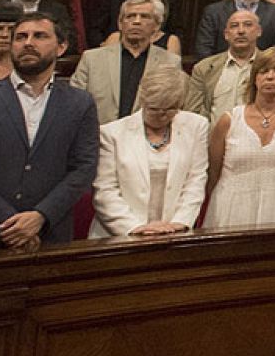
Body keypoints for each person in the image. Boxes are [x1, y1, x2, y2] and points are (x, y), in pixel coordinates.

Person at [0, 13, 98, 250]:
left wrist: (41, 216)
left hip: (50, 234)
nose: (28, 43)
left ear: (61, 47)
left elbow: (83, 168)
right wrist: (9, 224)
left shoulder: (80, 103)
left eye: (39, 36)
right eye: (20, 37)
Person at [89, 69, 209, 237]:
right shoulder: (112, 133)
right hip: (120, 234)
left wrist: (180, 222)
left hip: (174, 233)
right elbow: (105, 190)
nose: (162, 115)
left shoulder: (196, 126)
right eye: (154, 109)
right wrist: (135, 228)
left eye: (170, 109)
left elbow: (196, 180)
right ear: (143, 100)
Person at [204, 45, 275, 230]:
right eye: (263, 71)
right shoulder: (229, 120)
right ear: (254, 78)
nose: (270, 77)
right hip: (231, 208)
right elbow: (213, 173)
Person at [69, 0, 191, 125]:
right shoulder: (92, 59)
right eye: (130, 16)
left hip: (146, 138)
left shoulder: (170, 62)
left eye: (144, 16)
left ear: (156, 26)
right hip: (98, 136)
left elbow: (175, 107)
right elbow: (74, 104)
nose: (136, 21)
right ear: (120, 24)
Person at [191, 10, 262, 121]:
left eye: (248, 25)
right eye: (234, 26)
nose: (241, 31)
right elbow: (192, 112)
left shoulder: (271, 66)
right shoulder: (204, 68)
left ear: (259, 31)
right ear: (226, 34)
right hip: (213, 136)